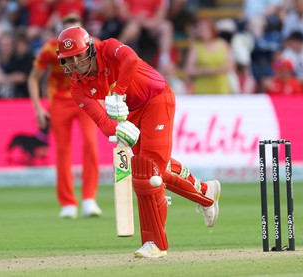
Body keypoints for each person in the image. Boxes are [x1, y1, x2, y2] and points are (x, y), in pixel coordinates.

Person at [56, 26, 221, 258]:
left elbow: (131, 60)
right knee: (156, 169)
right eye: (68, 60)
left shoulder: (109, 47)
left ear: (90, 50)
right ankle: (206, 192)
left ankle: (155, 243)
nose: (75, 64)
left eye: (78, 56)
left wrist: (118, 94)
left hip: (156, 98)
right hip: (131, 112)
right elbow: (103, 122)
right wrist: (119, 131)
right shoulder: (78, 87)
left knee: (146, 173)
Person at [28, 14, 101, 219]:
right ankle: (68, 202)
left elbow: (107, 68)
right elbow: (33, 78)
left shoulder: (92, 45)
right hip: (60, 102)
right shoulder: (51, 49)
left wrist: (105, 97)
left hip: (86, 100)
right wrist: (38, 108)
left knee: (90, 145)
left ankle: (89, 199)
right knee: (62, 151)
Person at [184, 17, 236, 94]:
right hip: (202, 90)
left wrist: (212, 70)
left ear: (211, 30)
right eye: (199, 29)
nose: (200, 32)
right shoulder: (196, 46)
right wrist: (209, 71)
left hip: (222, 89)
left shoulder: (223, 44)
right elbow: (189, 69)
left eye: (203, 30)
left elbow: (230, 65)